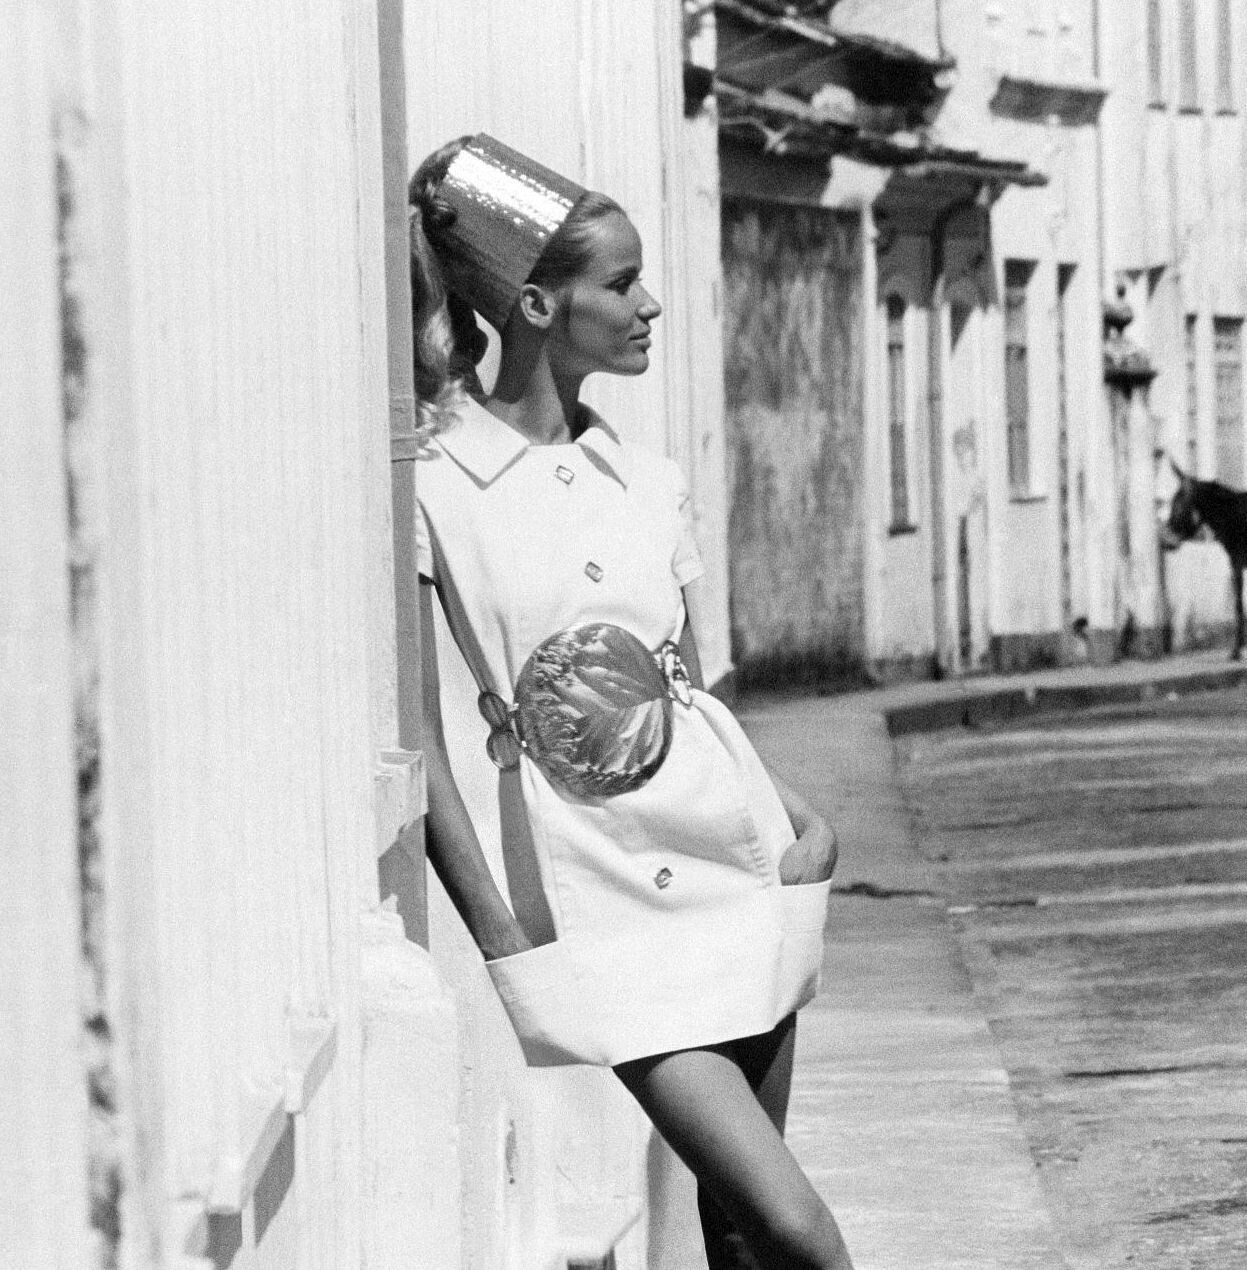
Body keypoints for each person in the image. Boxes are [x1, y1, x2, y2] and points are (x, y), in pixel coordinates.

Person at [408, 134, 852, 1270]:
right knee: (799, 1228)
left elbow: (691, 693)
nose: (649, 304)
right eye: (622, 282)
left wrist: (801, 822)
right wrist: (499, 930)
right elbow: (419, 738)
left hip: (739, 869)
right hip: (600, 902)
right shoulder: (438, 486)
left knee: (742, 1234)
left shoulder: (649, 483)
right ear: (537, 304)